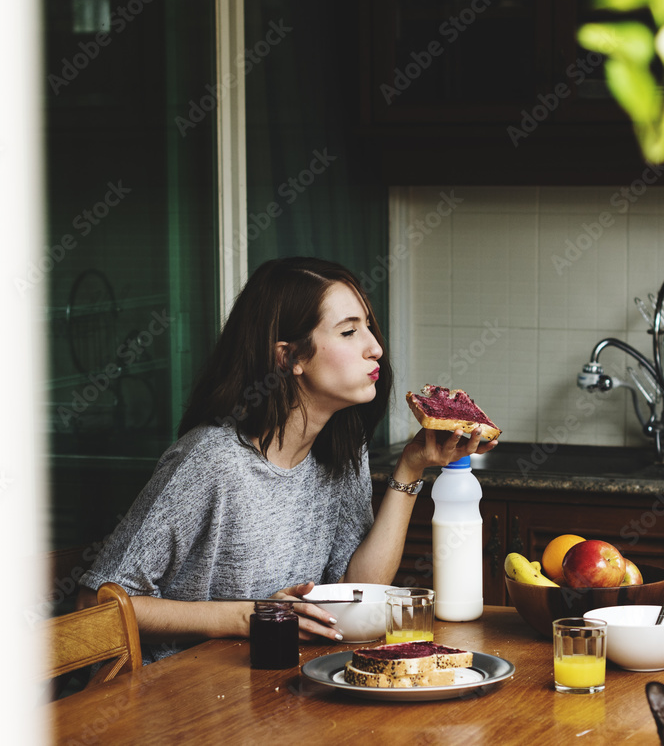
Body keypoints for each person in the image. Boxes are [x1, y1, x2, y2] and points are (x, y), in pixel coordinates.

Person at [76, 257, 497, 661]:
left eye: (369, 327)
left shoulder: (340, 452)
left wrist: (412, 465)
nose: (375, 349)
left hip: (270, 687)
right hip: (177, 699)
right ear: (289, 357)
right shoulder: (211, 461)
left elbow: (356, 589)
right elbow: (95, 604)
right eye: (349, 332)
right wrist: (248, 615)